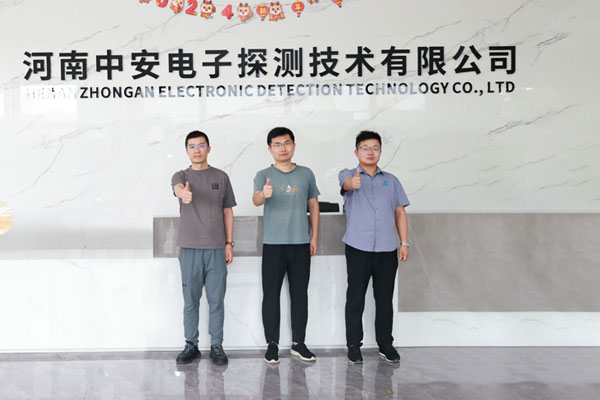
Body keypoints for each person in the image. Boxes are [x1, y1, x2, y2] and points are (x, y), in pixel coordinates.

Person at [338, 130, 410, 364]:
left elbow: (400, 212)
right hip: (358, 247)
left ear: (380, 151)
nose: (370, 152)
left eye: (375, 148)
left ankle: (385, 344)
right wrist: (352, 183)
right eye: (365, 148)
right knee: (355, 298)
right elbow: (346, 184)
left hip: (387, 249)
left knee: (384, 299)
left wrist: (404, 242)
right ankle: (353, 345)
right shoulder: (348, 174)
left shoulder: (392, 180)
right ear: (356, 152)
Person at [252, 127, 320, 364]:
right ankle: (272, 344)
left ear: (294, 145)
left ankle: (298, 344)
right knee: (270, 295)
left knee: (300, 295)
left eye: (287, 143)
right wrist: (263, 194)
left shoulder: (306, 174)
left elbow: (314, 206)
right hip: (273, 244)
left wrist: (314, 237)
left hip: (300, 243)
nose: (283, 148)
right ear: (270, 149)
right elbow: (256, 200)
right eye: (277, 144)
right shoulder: (263, 175)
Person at [171, 130, 236, 365]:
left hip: (216, 248)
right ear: (186, 151)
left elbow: (228, 212)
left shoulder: (221, 177)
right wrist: (183, 193)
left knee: (216, 301)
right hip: (189, 248)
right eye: (192, 146)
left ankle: (217, 346)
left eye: (201, 145)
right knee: (191, 301)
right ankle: (191, 345)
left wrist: (229, 243)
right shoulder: (180, 175)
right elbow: (178, 188)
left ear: (209, 148)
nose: (197, 150)